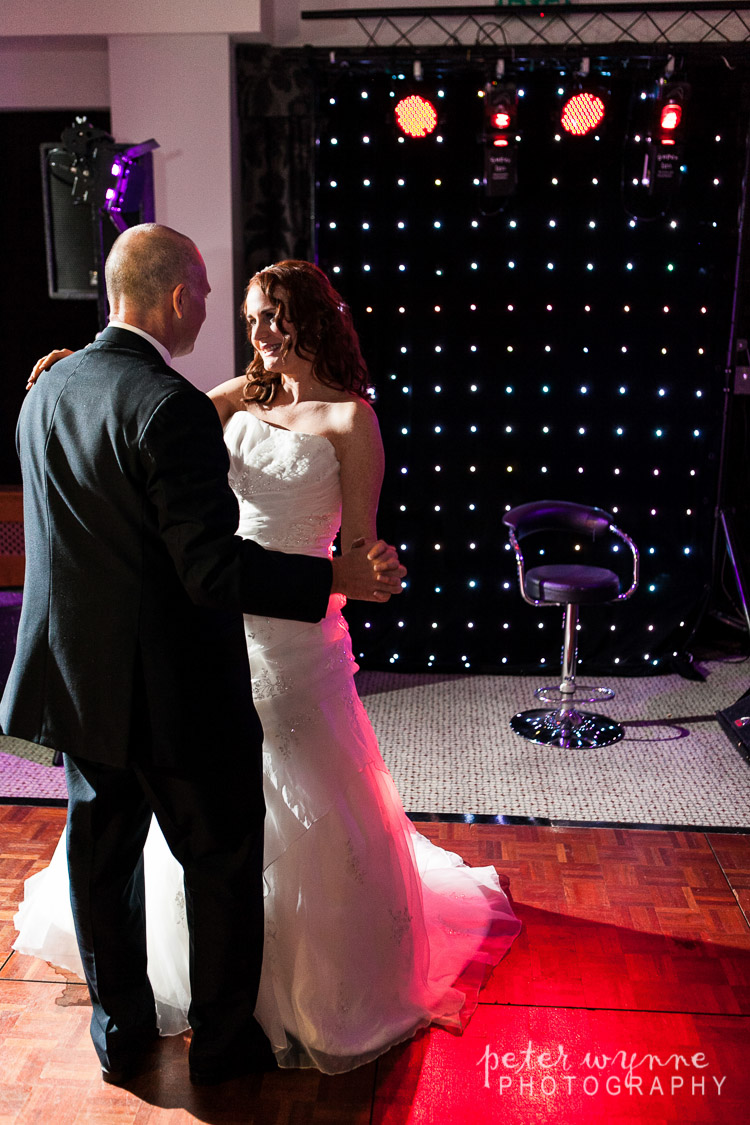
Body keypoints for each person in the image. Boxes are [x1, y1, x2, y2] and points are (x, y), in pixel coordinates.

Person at [14, 258, 521, 1075]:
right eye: (251, 316)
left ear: (315, 318)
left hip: (294, 644)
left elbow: (359, 552)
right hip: (210, 632)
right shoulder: (225, 401)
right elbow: (132, 418)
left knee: (291, 819)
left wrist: (364, 571)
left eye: (276, 314)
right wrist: (71, 364)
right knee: (200, 833)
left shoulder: (353, 420)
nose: (260, 332)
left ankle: (287, 996)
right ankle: (203, 1006)